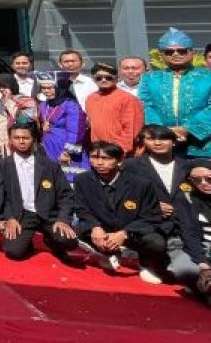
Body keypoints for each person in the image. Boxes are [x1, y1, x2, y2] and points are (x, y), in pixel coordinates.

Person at [73, 141, 167, 282]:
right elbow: (82, 208)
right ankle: (106, 253)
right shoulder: (82, 180)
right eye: (94, 157)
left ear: (119, 161)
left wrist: (124, 233)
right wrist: (95, 227)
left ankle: (146, 264)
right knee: (73, 231)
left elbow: (152, 216)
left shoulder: (140, 184)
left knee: (156, 242)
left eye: (106, 158)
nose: (99, 163)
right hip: (102, 228)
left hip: (131, 231)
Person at [0, 120, 80, 262]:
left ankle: (51, 240)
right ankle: (27, 241)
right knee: (14, 251)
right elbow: (1, 195)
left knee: (69, 242)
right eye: (17, 138)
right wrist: (9, 218)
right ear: (10, 140)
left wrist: (63, 219)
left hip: (48, 214)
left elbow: (66, 195)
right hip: (21, 214)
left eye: (26, 138)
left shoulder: (50, 165)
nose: (21, 142)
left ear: (34, 140)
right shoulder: (2, 165)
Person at [124, 126, 198, 284]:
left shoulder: (188, 166)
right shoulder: (131, 166)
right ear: (144, 142)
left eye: (163, 139)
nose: (157, 143)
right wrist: (151, 206)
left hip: (181, 225)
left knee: (188, 269)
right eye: (151, 139)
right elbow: (120, 197)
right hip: (148, 225)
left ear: (174, 142)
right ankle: (146, 262)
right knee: (157, 245)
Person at [139, 27, 211, 158]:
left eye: (181, 51)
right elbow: (145, 105)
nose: (176, 54)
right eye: (169, 52)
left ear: (192, 52)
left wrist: (187, 129)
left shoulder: (207, 77)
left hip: (202, 144)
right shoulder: (149, 78)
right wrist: (163, 131)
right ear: (162, 55)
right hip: (162, 142)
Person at [85, 62, 145, 156]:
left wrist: (119, 152)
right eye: (99, 78)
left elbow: (132, 130)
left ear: (116, 79)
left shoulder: (128, 99)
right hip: (98, 151)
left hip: (120, 152)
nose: (103, 80)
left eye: (108, 77)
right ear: (93, 80)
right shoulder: (90, 98)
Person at [172, 161, 211, 298]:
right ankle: (204, 289)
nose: (203, 183)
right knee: (180, 268)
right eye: (196, 180)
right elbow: (189, 233)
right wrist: (202, 262)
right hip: (203, 246)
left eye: (209, 179)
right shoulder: (186, 198)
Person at [38, 76, 88, 181]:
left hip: (64, 147)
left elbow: (76, 131)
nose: (46, 91)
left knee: (69, 177)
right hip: (48, 145)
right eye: (43, 88)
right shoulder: (43, 104)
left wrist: (68, 152)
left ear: (60, 88)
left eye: (50, 88)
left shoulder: (70, 105)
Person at [0, 73, 37, 156]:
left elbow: (25, 121)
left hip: (21, 141)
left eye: (4, 86)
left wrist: (9, 101)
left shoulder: (27, 101)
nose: (1, 89)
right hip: (1, 145)